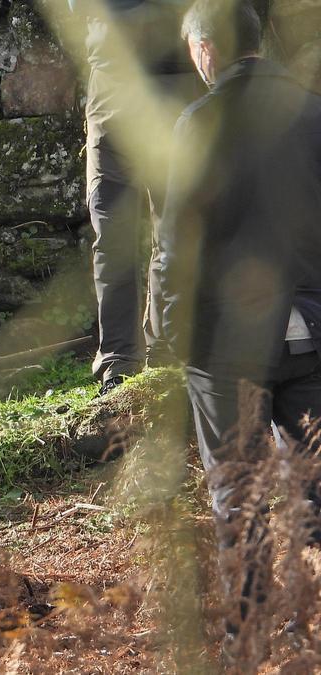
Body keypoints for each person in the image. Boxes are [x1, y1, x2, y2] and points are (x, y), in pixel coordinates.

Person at [155, 0, 321, 636]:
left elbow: (177, 242)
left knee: (237, 488)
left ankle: (249, 628)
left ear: (204, 50)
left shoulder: (197, 123)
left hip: (226, 343)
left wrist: (174, 330)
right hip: (311, 328)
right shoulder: (312, 111)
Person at [72, 0, 205, 395]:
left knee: (116, 234)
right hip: (173, 80)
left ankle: (121, 359)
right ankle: (163, 350)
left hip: (119, 80)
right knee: (173, 225)